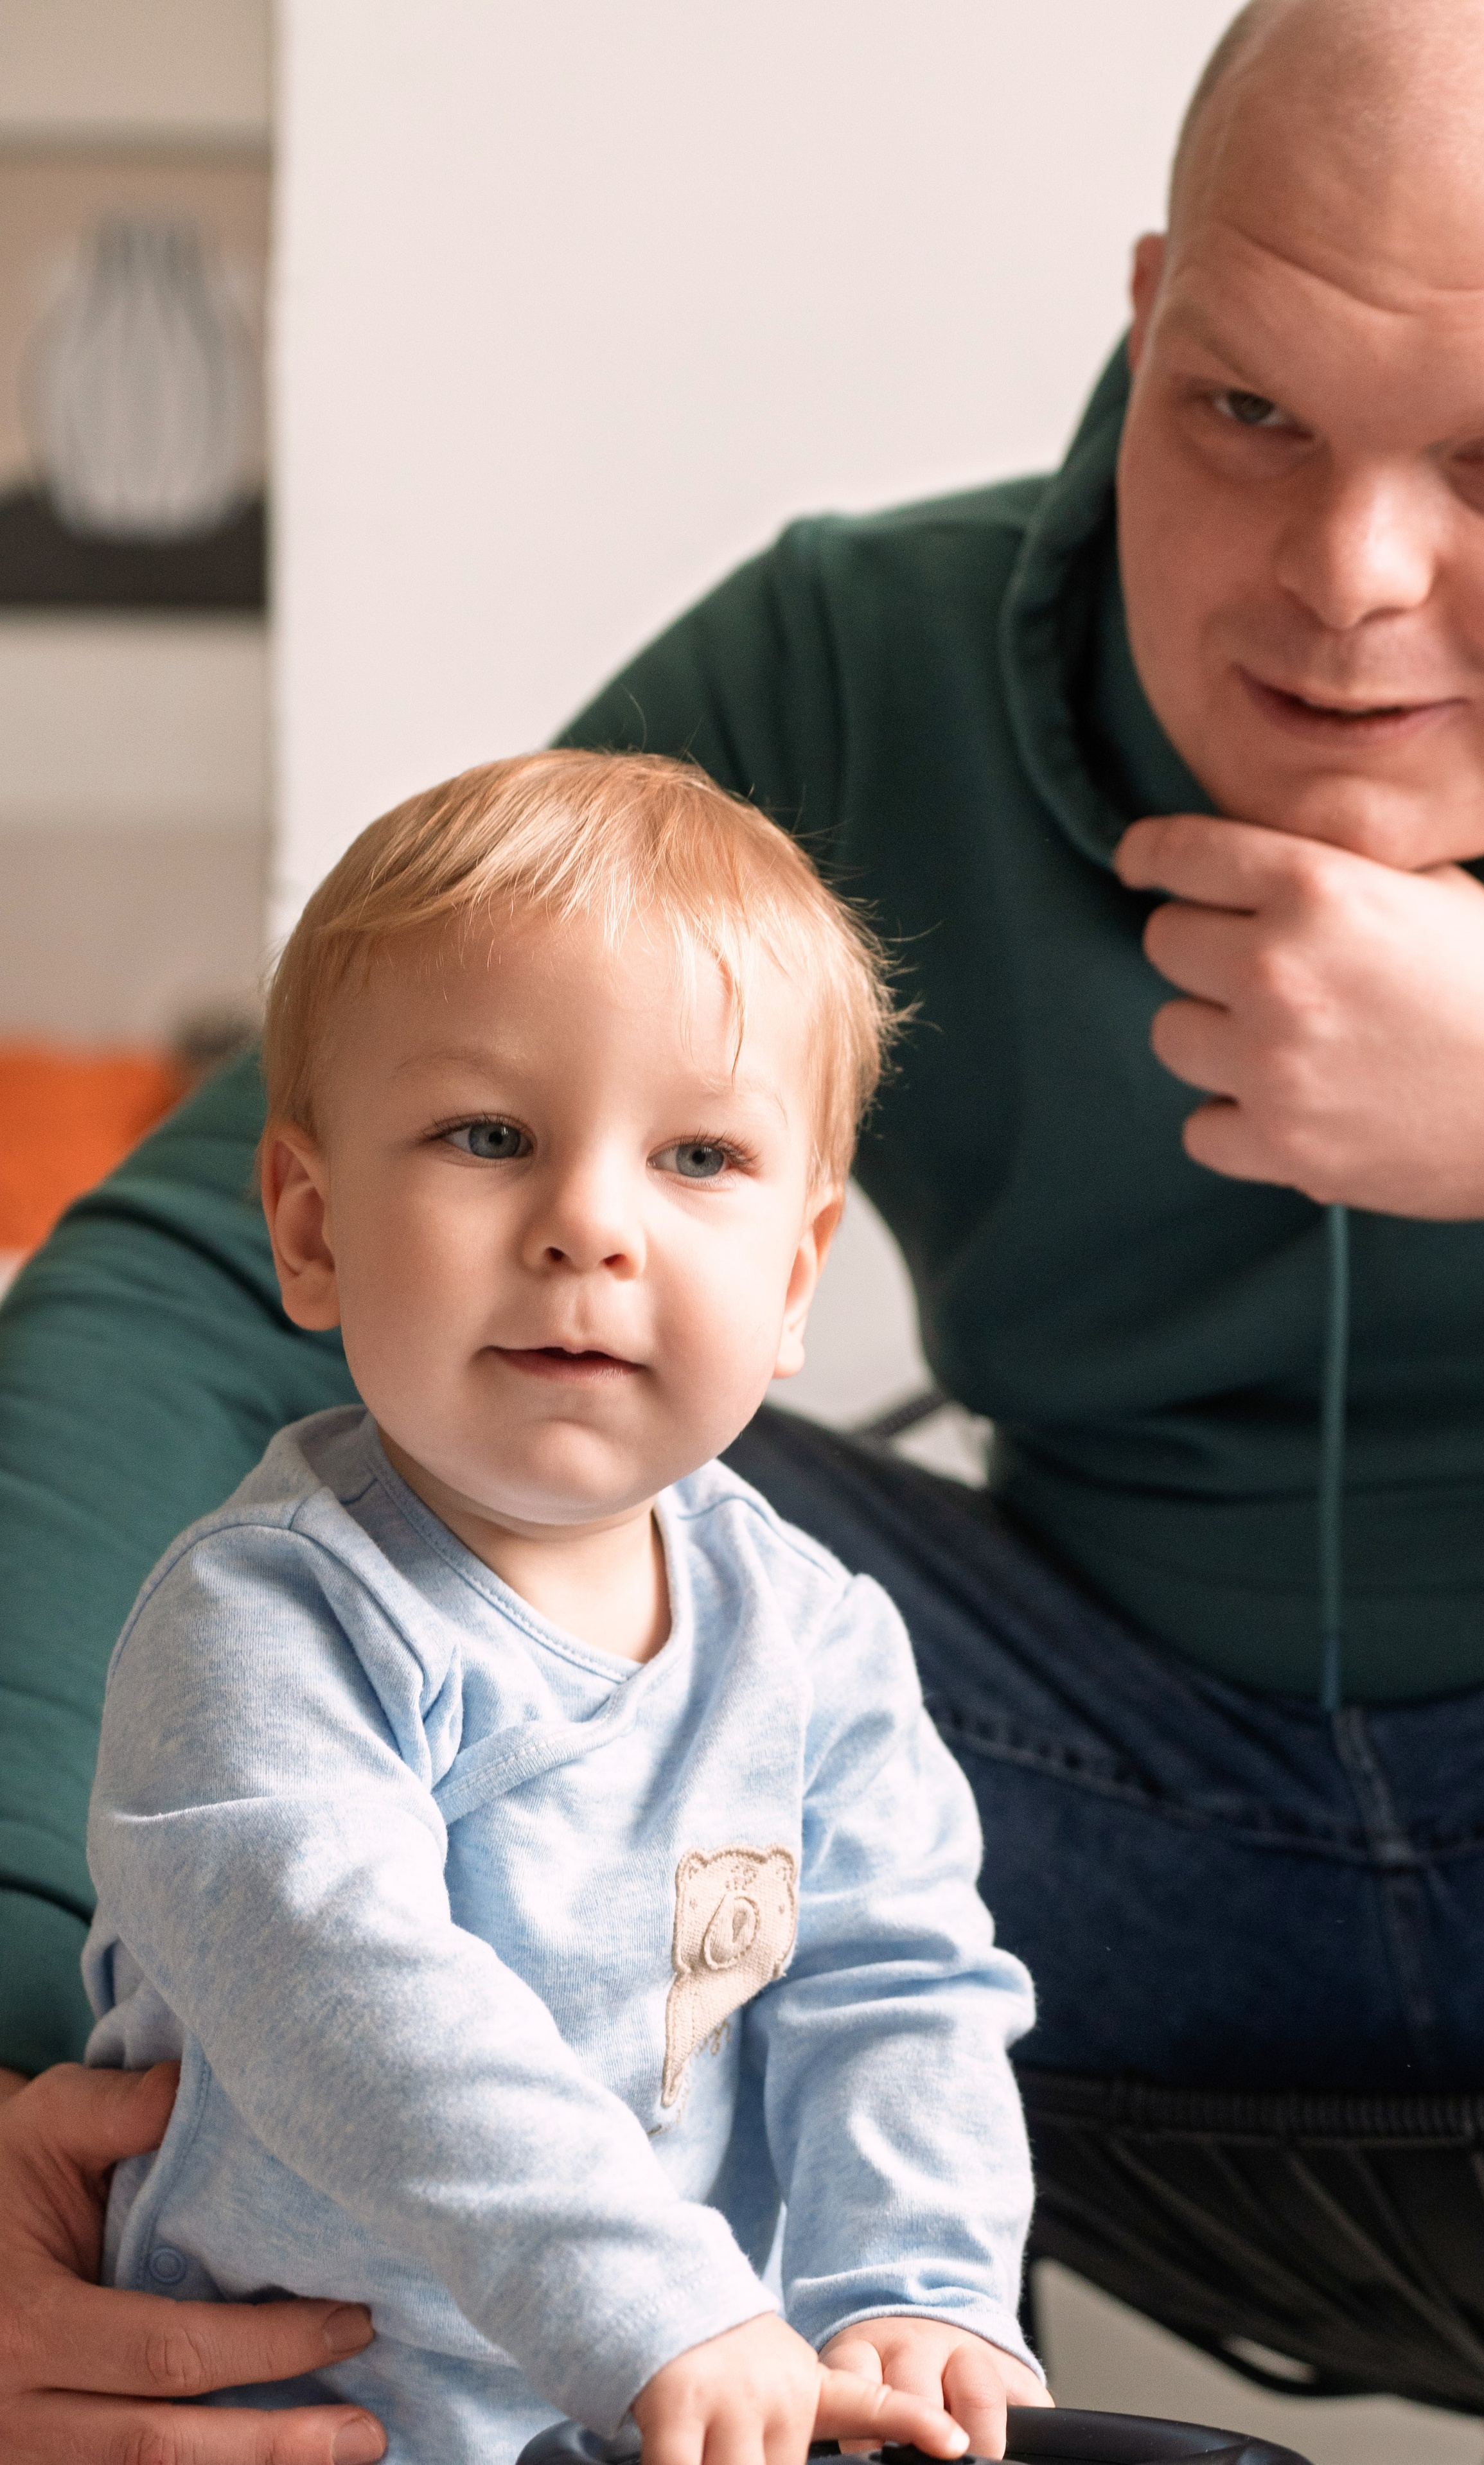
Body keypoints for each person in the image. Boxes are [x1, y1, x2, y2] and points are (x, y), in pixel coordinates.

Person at [9, 0, 1484, 2454]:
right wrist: (19, 2080)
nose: (1348, 575)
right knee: (525, 1467)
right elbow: (190, 1282)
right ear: (1145, 324)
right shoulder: (860, 663)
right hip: (1079, 1799)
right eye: (1246, 408)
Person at [81, 748, 1043, 2465]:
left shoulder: (815, 1638)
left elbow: (896, 1988)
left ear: (797, 1275)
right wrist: (651, 2301)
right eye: (490, 1136)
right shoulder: (267, 1624)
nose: (589, 1224)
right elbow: (354, 2001)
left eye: (699, 1155)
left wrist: (920, 2289)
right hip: (300, 2427)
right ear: (312, 1228)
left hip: (681, 2420)